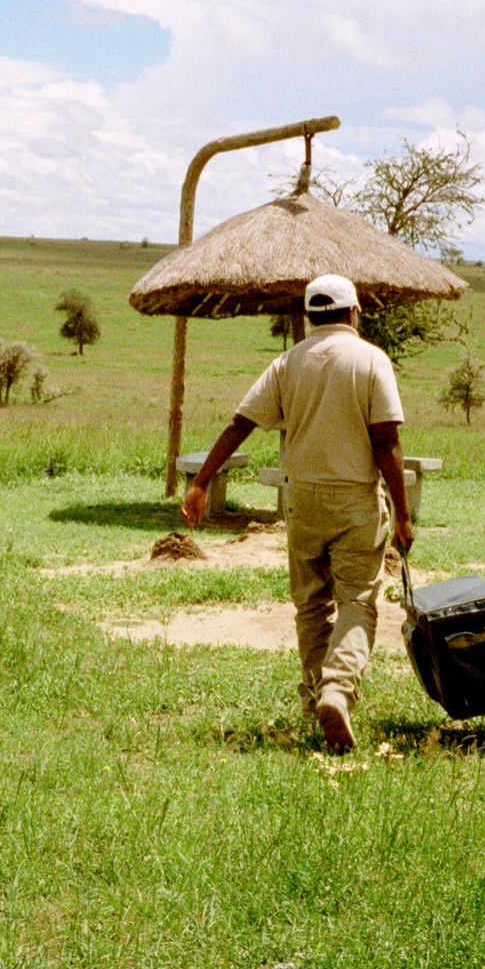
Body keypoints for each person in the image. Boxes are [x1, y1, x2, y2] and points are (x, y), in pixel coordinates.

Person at [182, 273, 412, 753]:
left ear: (310, 316)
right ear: (353, 313)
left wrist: (202, 481)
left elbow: (239, 424)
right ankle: (337, 690)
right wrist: (405, 515)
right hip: (355, 499)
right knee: (356, 601)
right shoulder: (371, 360)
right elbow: (387, 441)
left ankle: (316, 701)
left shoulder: (287, 363)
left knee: (310, 604)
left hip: (302, 499)